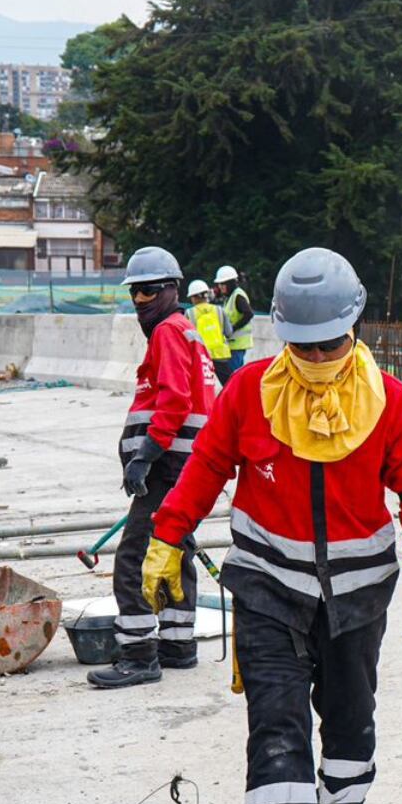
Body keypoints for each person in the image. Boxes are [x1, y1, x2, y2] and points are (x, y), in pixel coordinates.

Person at [143, 247, 402, 804]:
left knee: (349, 710)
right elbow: (204, 470)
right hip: (266, 586)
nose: (317, 359)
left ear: (355, 329)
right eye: (303, 347)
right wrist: (166, 538)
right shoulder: (249, 394)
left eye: (330, 345)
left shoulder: (389, 403)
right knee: (277, 716)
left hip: (357, 593)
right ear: (282, 336)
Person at [87, 247, 221, 689]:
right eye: (134, 292)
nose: (140, 300)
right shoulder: (187, 333)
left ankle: (139, 654)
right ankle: (179, 646)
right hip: (184, 465)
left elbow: (175, 401)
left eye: (149, 290)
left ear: (172, 290)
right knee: (174, 549)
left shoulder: (167, 332)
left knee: (134, 558)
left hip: (165, 466)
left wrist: (145, 455)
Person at [187, 278, 235, 385]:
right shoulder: (219, 310)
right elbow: (229, 332)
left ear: (194, 297)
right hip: (220, 355)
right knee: (230, 385)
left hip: (200, 357)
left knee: (201, 388)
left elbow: (187, 338)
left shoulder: (189, 313)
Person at [214, 264, 256, 372]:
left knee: (233, 376)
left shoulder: (237, 295)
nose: (220, 286)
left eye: (223, 283)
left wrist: (233, 328)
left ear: (230, 283)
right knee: (236, 375)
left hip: (237, 344)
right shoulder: (230, 297)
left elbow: (249, 314)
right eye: (219, 284)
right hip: (233, 344)